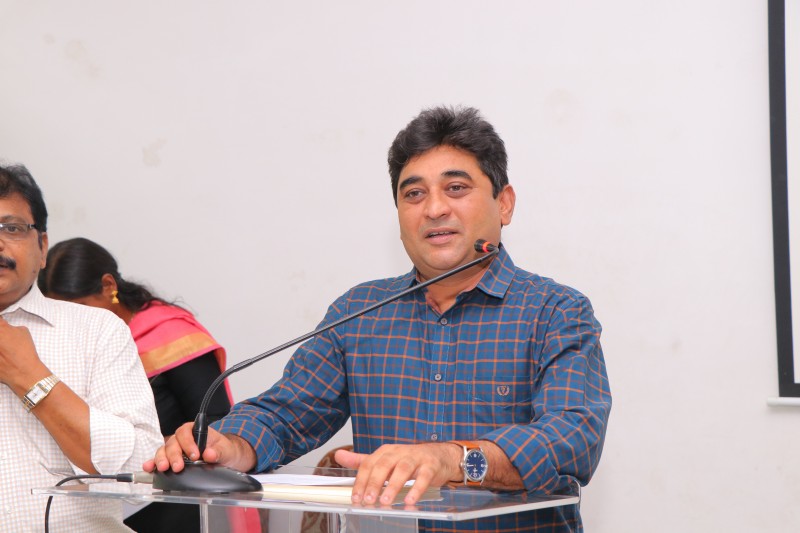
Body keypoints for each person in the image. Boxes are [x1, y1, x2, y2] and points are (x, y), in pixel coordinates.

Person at [147, 106, 612, 532]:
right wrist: (230, 445)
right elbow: (286, 414)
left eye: (456, 188)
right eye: (414, 194)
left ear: (504, 203)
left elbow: (572, 438)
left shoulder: (556, 311)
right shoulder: (360, 312)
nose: (434, 209)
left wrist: (454, 460)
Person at [0, 162, 162, 532]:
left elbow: (143, 472)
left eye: (12, 228)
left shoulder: (97, 330)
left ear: (42, 247)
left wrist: (31, 377)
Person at [38, 237, 235, 532]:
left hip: (174, 497)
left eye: (80, 307)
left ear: (109, 286)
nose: (72, 322)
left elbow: (219, 422)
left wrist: (158, 447)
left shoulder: (170, 335)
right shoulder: (66, 344)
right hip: (96, 499)